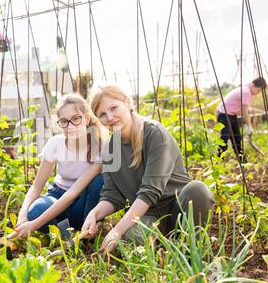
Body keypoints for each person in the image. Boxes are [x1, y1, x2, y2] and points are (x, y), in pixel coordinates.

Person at [81, 85, 215, 253]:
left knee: (198, 190)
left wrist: (117, 230)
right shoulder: (110, 150)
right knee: (131, 238)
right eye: (102, 114)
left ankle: (190, 248)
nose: (110, 117)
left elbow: (150, 191)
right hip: (149, 217)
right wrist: (94, 214)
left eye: (113, 108)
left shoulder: (154, 133)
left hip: (179, 211)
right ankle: (168, 249)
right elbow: (112, 196)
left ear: (128, 103)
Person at [13, 94, 105, 238]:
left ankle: (86, 229)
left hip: (82, 203)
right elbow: (37, 187)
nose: (70, 126)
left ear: (87, 119)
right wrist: (23, 214)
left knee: (100, 180)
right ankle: (65, 231)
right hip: (57, 194)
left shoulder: (98, 148)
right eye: (64, 121)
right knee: (35, 211)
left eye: (76, 119)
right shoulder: (55, 143)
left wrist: (34, 225)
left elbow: (72, 194)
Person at [216, 77, 267, 162]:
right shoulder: (246, 91)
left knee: (237, 139)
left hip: (231, 115)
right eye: (258, 91)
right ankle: (218, 162)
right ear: (253, 85)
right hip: (224, 115)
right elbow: (244, 111)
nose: (258, 93)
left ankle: (243, 162)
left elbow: (242, 109)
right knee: (224, 140)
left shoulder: (245, 90)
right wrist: (248, 125)